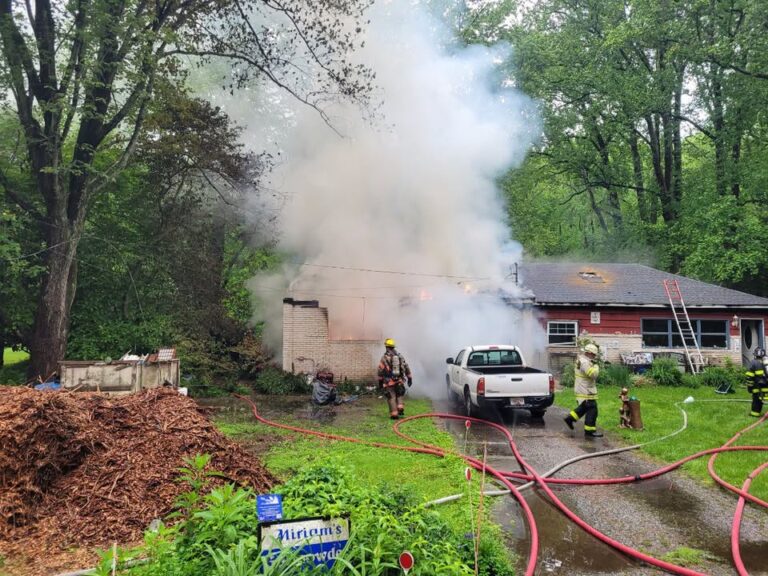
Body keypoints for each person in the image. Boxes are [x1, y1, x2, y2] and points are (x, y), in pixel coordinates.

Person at [564, 343, 603, 437]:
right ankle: (589, 431)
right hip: (585, 390)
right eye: (593, 354)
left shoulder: (582, 360)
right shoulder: (585, 362)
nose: (594, 356)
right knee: (592, 409)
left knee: (584, 408)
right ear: (588, 353)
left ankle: (570, 419)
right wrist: (596, 367)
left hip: (584, 388)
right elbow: (593, 374)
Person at [377, 338, 412, 419]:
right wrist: (410, 378)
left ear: (386, 347)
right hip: (399, 380)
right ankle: (400, 407)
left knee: (391, 397)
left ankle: (394, 414)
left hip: (389, 382)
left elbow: (380, 370)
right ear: (393, 347)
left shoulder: (384, 358)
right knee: (399, 394)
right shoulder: (400, 356)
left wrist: (380, 382)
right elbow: (406, 367)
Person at [744, 347, 767, 417]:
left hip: (758, 388)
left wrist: (750, 387)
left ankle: (755, 414)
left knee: (757, 400)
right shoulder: (767, 363)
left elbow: (749, 377)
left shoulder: (753, 363)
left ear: (755, 355)